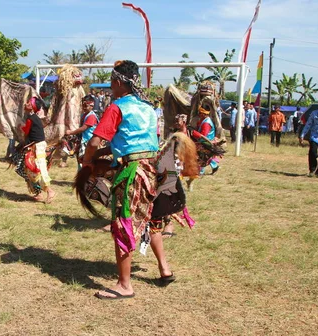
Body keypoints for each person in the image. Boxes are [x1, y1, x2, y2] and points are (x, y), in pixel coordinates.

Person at [82, 60, 174, 300]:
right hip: (153, 170)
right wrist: (106, 153)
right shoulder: (147, 107)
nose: (111, 87)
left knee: (123, 223)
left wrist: (88, 161)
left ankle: (124, 285)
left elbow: (93, 141)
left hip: (132, 173)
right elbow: (135, 142)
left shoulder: (117, 107)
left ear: (120, 82)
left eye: (112, 82)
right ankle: (164, 269)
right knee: (150, 218)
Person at [21, 97, 56, 203]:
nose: (26, 104)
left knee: (39, 170)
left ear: (32, 107)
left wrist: (19, 127)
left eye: (28, 103)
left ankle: (50, 191)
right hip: (35, 146)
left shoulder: (31, 119)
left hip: (38, 148)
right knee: (30, 171)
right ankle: (39, 193)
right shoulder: (32, 118)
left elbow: (26, 132)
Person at [65, 96, 99, 165]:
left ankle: (85, 173)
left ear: (91, 106)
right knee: (81, 159)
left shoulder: (91, 116)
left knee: (86, 160)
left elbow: (84, 128)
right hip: (84, 140)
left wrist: (71, 132)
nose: (84, 108)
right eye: (83, 106)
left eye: (86, 106)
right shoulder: (84, 115)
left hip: (89, 142)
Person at [191, 106, 220, 175]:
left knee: (202, 156)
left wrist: (194, 133)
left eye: (200, 113)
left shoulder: (206, 123)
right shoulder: (204, 120)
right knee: (205, 156)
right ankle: (215, 166)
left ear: (204, 114)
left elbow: (203, 135)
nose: (199, 114)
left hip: (206, 142)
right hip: (204, 141)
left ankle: (201, 171)